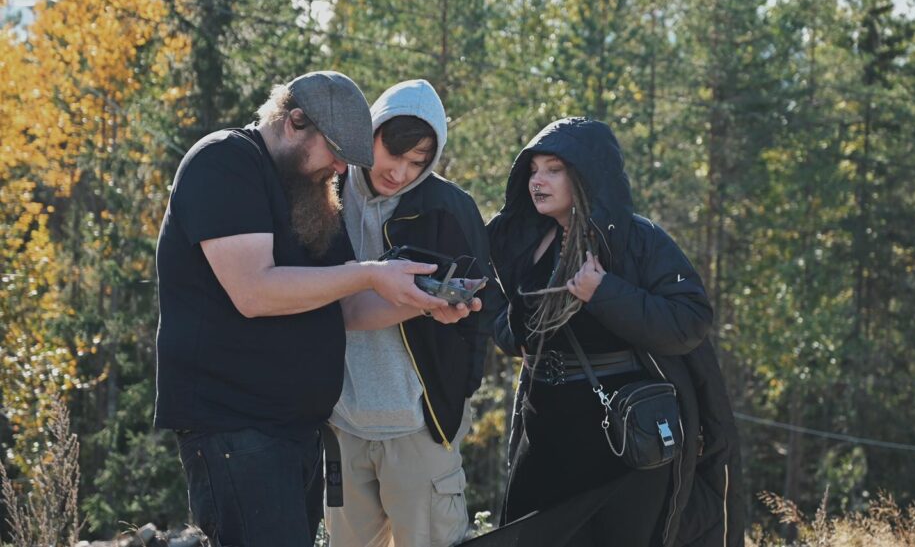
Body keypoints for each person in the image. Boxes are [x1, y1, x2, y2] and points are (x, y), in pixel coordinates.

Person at [154, 71, 479, 547]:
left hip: (296, 432)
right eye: (336, 152)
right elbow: (254, 291)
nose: (343, 169)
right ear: (295, 122)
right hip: (235, 428)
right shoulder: (224, 161)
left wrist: (422, 303)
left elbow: (346, 307)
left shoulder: (310, 191)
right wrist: (369, 272)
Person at [486, 117, 743, 547]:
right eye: (533, 170)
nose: (537, 181)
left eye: (553, 169)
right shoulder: (524, 242)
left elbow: (690, 320)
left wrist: (604, 292)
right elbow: (511, 328)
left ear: (586, 175)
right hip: (545, 432)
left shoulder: (638, 240)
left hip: (621, 444)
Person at [324, 79, 504, 547]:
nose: (400, 172)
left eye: (418, 162)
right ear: (371, 131)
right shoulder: (325, 191)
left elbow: (482, 312)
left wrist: (454, 397)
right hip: (339, 421)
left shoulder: (450, 208)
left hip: (420, 427)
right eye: (394, 152)